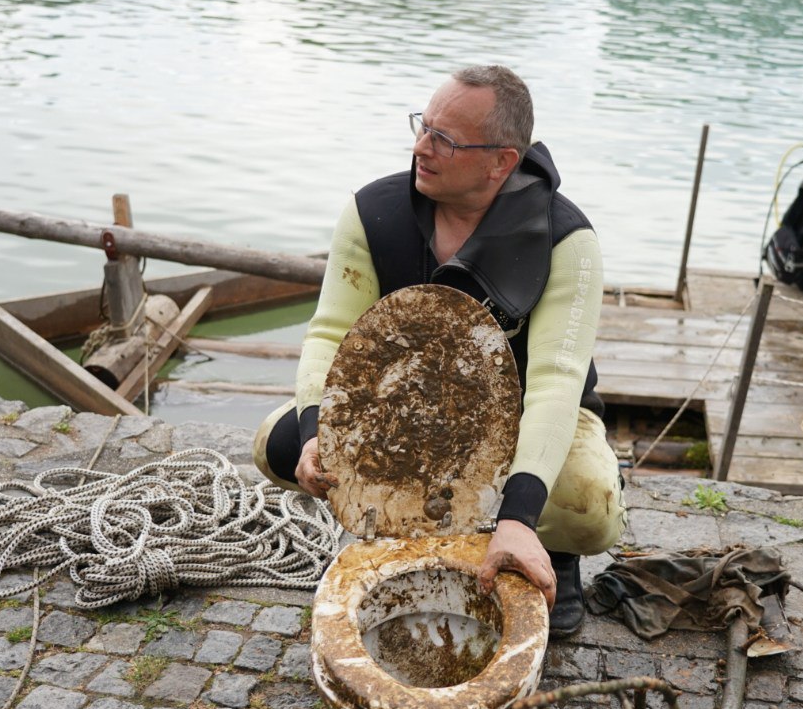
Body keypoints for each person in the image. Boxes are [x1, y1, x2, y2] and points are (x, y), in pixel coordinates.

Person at [252, 65, 627, 638]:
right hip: (410, 405)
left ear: (500, 161)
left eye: (443, 139)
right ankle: (417, 532)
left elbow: (556, 382)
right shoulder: (373, 212)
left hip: (529, 412)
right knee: (274, 446)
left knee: (589, 505)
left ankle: (550, 550)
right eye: (423, 127)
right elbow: (330, 333)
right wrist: (313, 433)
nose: (420, 147)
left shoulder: (565, 239)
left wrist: (521, 515)